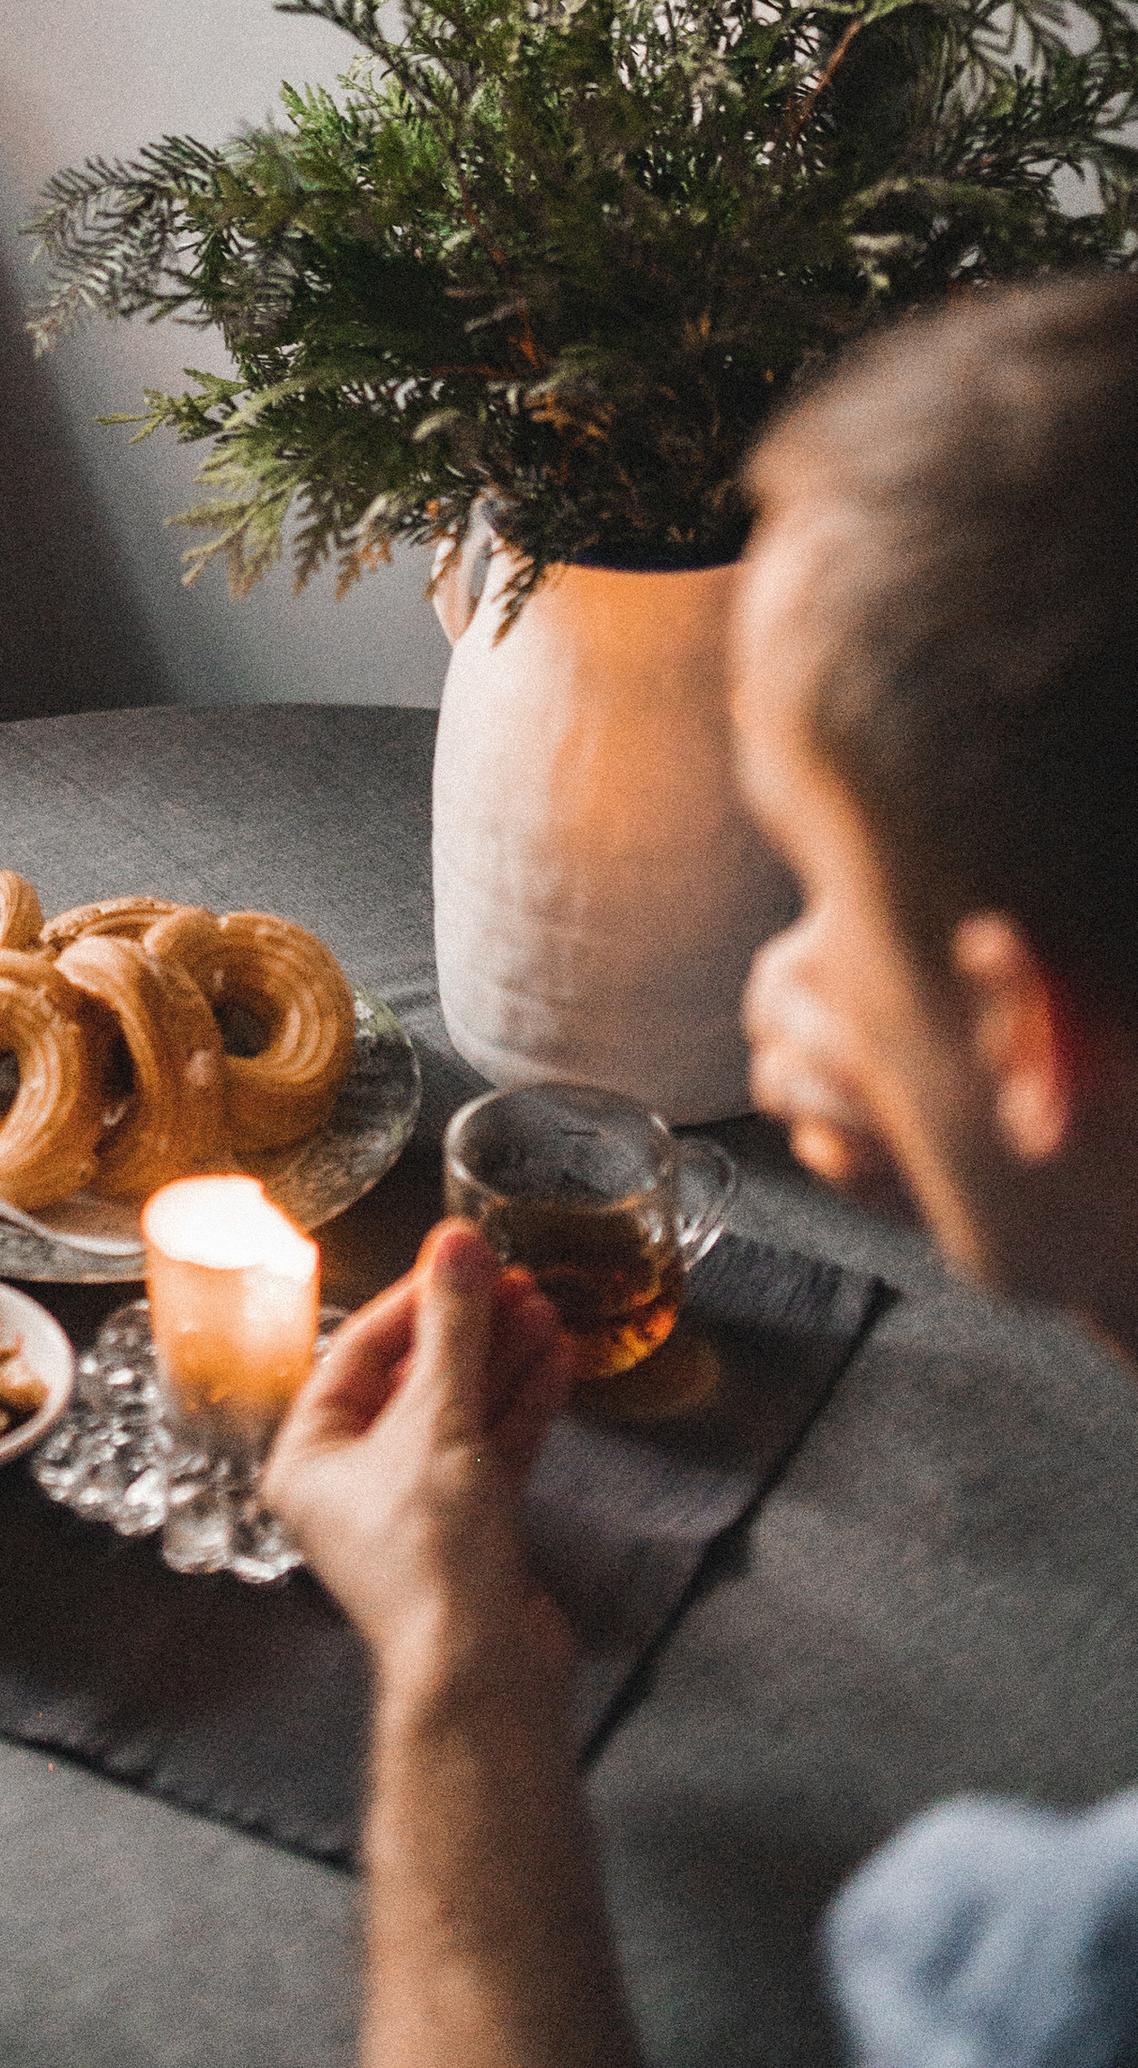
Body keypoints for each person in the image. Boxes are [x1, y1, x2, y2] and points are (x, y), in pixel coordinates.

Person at [263, 269, 1138, 2068]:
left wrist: (452, 1670)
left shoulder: (1035, 1973)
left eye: (816, 888)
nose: (777, 981)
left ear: (1027, 1033)